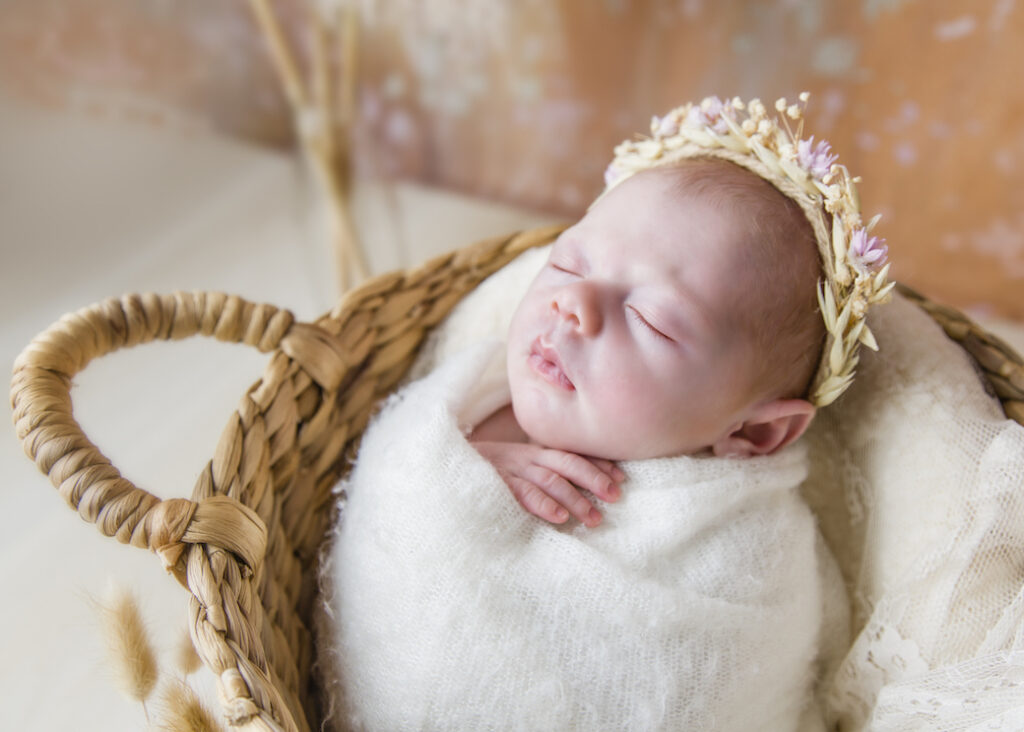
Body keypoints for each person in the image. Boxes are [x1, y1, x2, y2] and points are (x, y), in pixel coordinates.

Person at [321, 94, 891, 731]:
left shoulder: (745, 560)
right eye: (567, 263)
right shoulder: (466, 413)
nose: (574, 303)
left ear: (755, 431)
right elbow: (389, 508)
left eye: (651, 320)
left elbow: (715, 689)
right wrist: (458, 475)